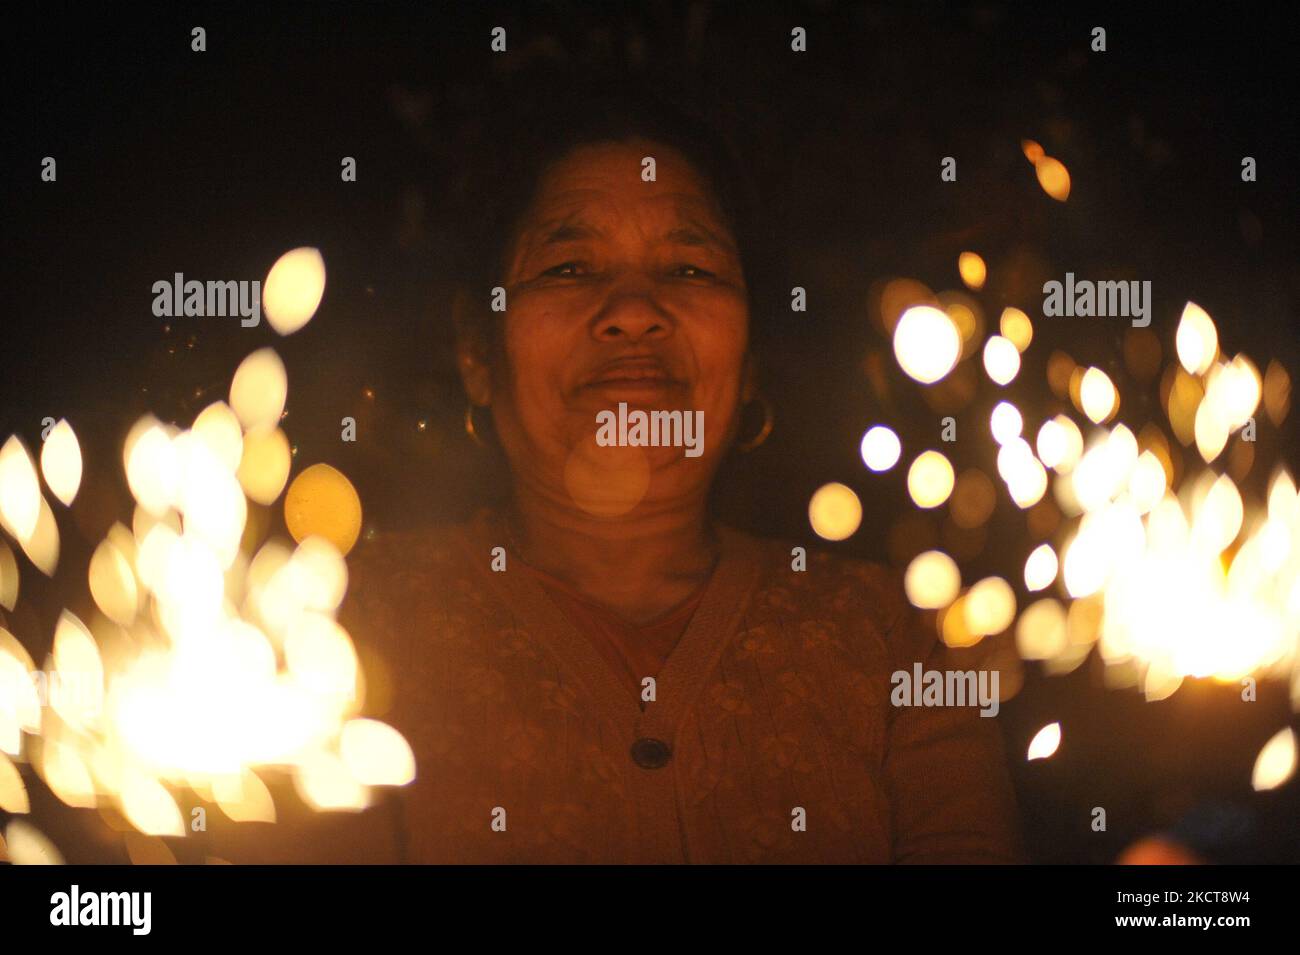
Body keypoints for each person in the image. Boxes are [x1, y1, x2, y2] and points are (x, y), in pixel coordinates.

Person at [216, 79, 1023, 864]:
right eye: (569, 269)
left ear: (748, 367)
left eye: (690, 270)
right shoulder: (335, 628)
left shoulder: (895, 638)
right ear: (477, 352)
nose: (635, 310)